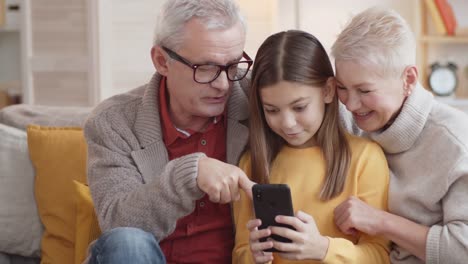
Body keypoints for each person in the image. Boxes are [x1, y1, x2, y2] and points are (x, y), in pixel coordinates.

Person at [83, 0, 256, 263]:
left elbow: (326, 105)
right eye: (206, 68)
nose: (223, 85)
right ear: (162, 61)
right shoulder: (113, 122)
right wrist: (187, 175)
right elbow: (118, 222)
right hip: (143, 257)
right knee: (127, 241)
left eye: (233, 65)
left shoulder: (261, 96)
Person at [232, 30, 390, 264]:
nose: (287, 123)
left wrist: (324, 249)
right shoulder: (251, 163)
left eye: (299, 107)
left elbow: (379, 255)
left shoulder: (365, 158)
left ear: (327, 91)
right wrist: (252, 257)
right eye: (272, 110)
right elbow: (240, 251)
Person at [331, 7, 468, 264]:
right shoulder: (348, 118)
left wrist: (380, 222)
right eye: (342, 87)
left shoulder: (455, 141)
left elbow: (463, 251)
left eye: (364, 90)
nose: (350, 104)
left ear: (408, 79)